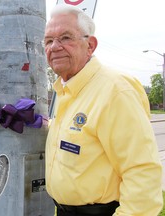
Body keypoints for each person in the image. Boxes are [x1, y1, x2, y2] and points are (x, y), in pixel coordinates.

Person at [44, 4, 163, 216]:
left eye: (65, 37)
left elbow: (142, 173)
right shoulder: (67, 88)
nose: (54, 47)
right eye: (49, 40)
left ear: (90, 45)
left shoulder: (116, 90)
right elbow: (84, 135)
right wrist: (44, 125)